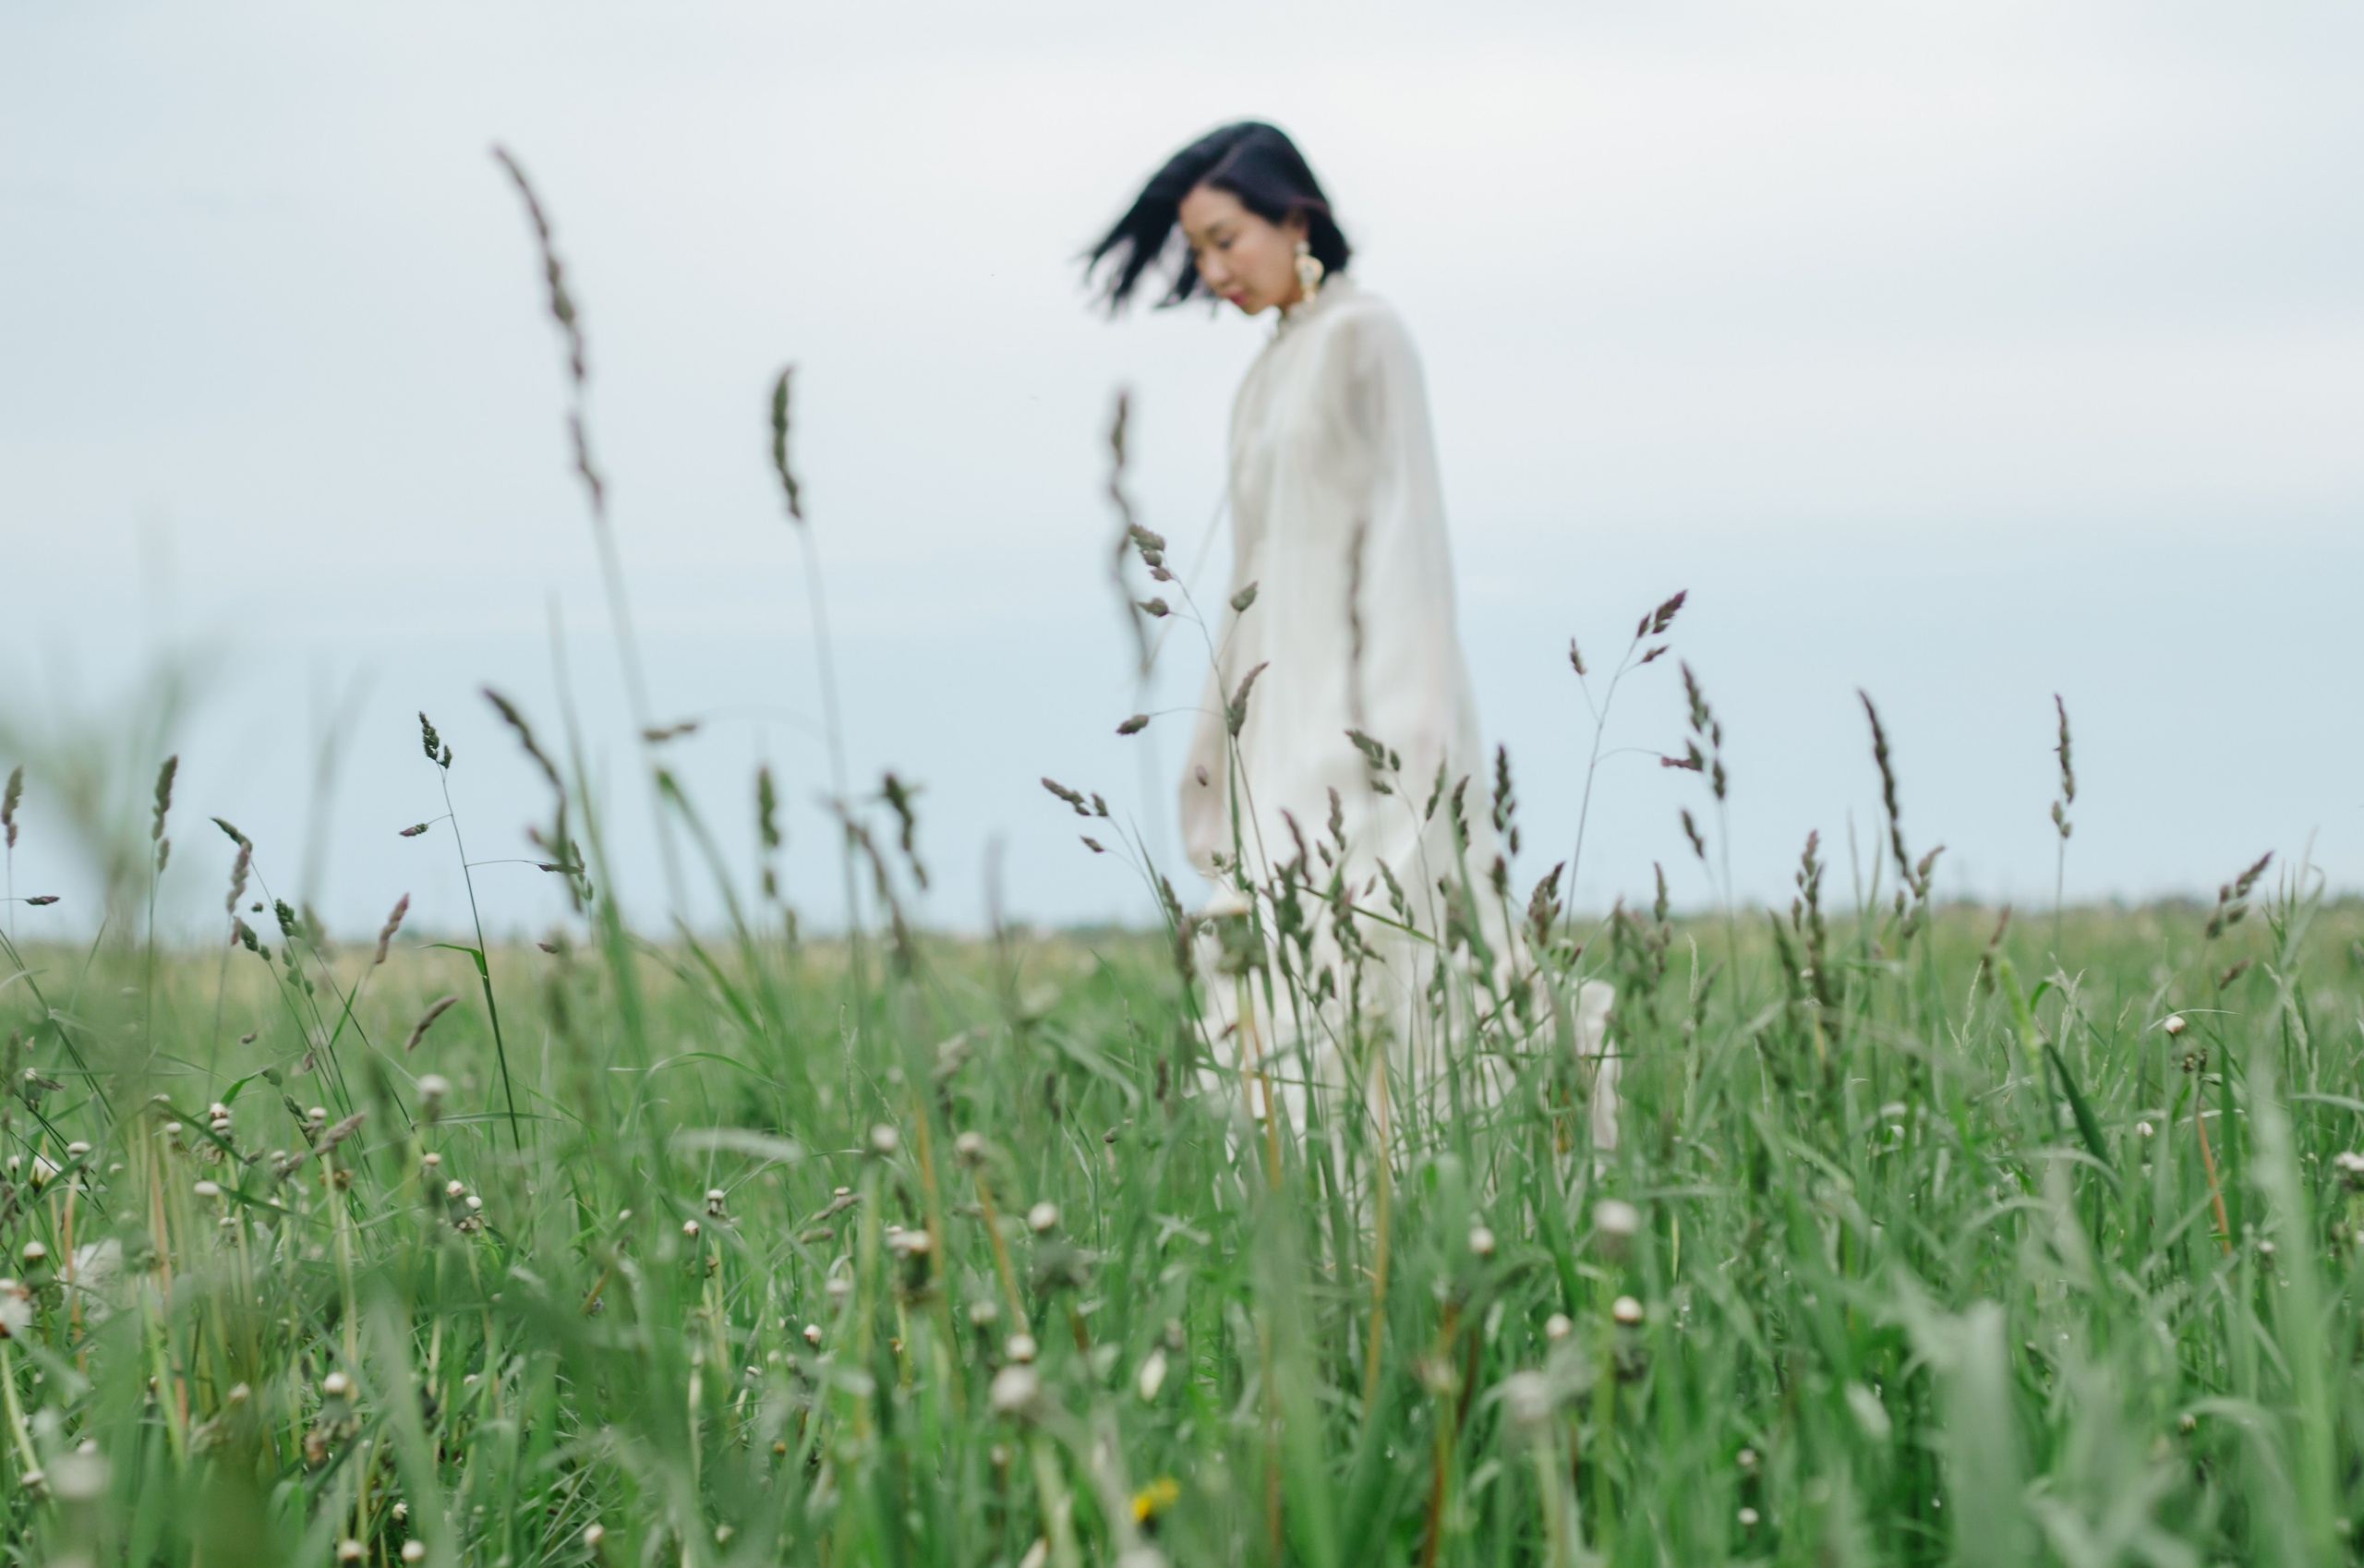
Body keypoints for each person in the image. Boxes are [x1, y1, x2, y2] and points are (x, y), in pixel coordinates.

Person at [1088, 122, 1618, 1151]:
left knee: (1399, 954)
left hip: (1369, 711)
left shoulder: (1365, 336)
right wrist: (1218, 741)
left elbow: (1406, 541)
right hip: (1276, 723)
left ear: (1297, 219)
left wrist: (1409, 735)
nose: (1211, 271)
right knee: (1288, 978)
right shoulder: (1267, 371)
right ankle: (1320, 1220)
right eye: (1196, 251)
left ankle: (1451, 1198)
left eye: (1225, 240)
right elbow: (1247, 580)